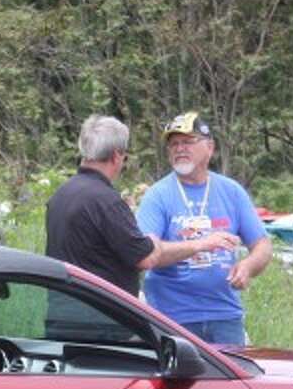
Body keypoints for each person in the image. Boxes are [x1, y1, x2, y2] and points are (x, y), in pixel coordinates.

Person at [46, 114, 238, 297]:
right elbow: (146, 257)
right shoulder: (106, 202)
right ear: (116, 156)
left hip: (62, 305)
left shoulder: (60, 195)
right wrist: (196, 244)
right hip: (98, 313)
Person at [136, 111, 273, 344]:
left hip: (225, 315)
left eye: (188, 142)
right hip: (171, 317)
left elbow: (262, 244)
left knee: (233, 369)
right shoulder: (157, 196)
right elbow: (146, 254)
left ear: (209, 147)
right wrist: (199, 245)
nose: (180, 149)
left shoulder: (231, 191)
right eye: (174, 144)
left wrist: (248, 267)